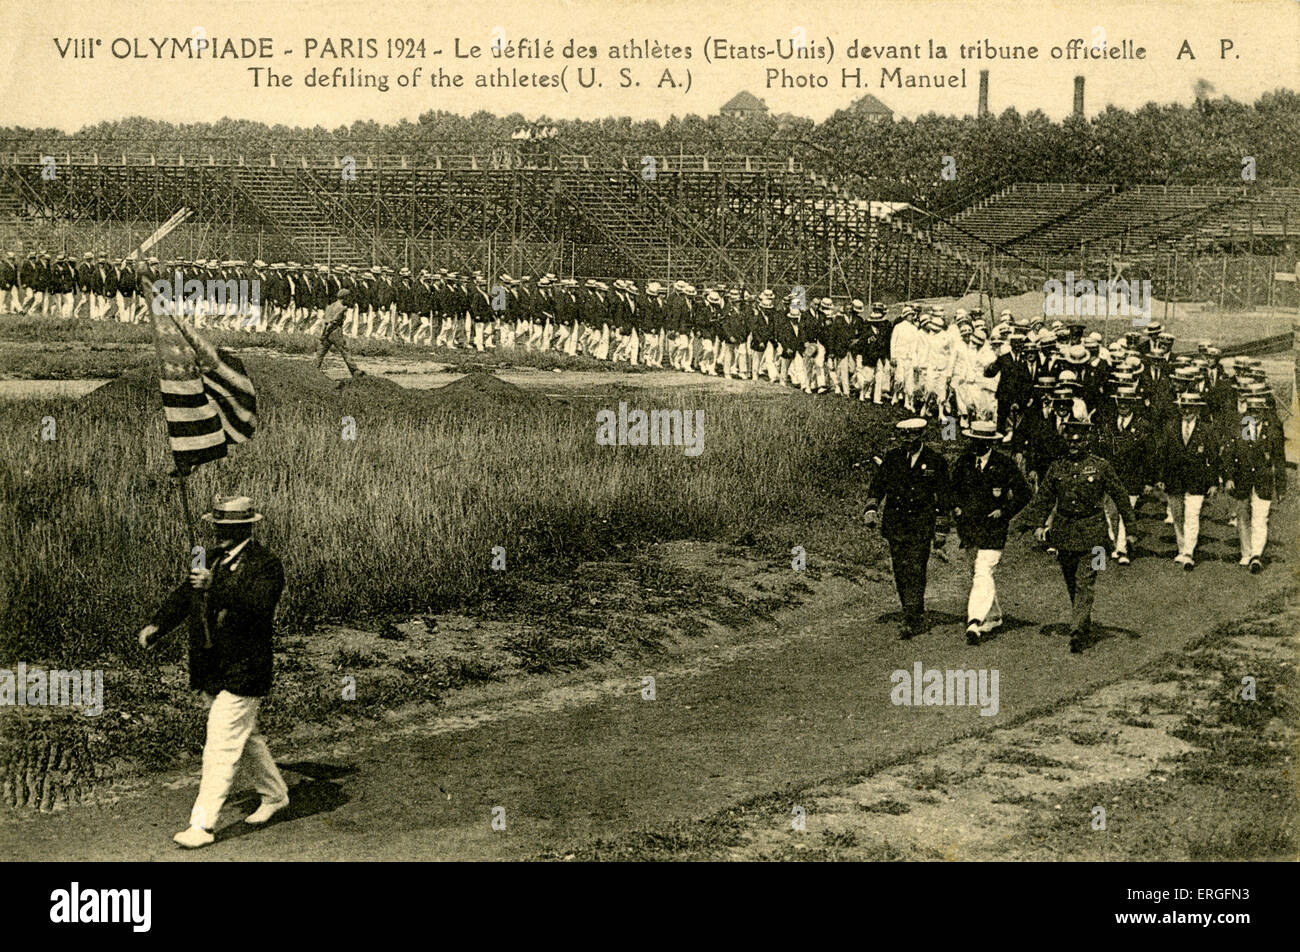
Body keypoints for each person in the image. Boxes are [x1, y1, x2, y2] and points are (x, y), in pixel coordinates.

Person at [136, 496, 289, 848]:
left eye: (229, 529)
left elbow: (257, 606)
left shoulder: (266, 564)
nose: (220, 533)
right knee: (243, 737)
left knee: (220, 742)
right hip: (211, 667)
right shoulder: (205, 556)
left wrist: (214, 587)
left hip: (246, 668)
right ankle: (276, 794)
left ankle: (202, 826)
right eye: (218, 527)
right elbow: (185, 593)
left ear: (246, 528)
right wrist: (158, 625)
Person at [1027, 420, 1138, 653]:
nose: (1074, 446)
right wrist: (1038, 524)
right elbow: (1045, 498)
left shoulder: (1101, 466)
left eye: (1078, 441)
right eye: (1070, 441)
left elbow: (1120, 496)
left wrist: (1131, 529)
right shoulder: (1057, 467)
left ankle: (1077, 632)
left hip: (1096, 536)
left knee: (1086, 581)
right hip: (1065, 534)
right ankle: (1083, 621)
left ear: (1087, 441)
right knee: (1071, 581)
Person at [863, 418, 951, 640]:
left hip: (921, 524)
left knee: (916, 567)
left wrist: (941, 528)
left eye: (913, 436)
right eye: (904, 436)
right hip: (896, 524)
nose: (908, 440)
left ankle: (912, 616)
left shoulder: (935, 460)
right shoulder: (892, 459)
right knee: (900, 569)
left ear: (921, 436)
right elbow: (878, 485)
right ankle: (909, 609)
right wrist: (871, 508)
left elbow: (944, 496)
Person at [949, 420, 1031, 644]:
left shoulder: (1003, 464)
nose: (977, 446)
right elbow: (951, 489)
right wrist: (955, 507)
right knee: (978, 573)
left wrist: (1003, 511)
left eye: (982, 442)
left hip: (993, 529)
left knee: (983, 571)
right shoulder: (964, 462)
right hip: (968, 528)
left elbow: (1024, 493)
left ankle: (974, 621)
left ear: (991, 443)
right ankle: (993, 616)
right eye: (974, 441)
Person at [1221, 391, 1286, 572]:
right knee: (1243, 516)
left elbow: (1279, 460)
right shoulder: (1241, 427)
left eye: (1259, 410)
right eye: (1252, 410)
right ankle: (1246, 552)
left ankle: (1256, 554)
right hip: (1242, 480)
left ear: (1265, 411)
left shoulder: (1273, 430)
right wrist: (1229, 477)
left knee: (1260, 517)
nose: (1256, 414)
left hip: (1263, 481)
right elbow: (1229, 454)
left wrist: (1281, 487)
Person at [314, 288, 361, 378]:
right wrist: (326, 332)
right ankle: (355, 371)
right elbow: (333, 322)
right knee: (345, 351)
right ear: (344, 298)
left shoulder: (330, 306)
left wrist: (323, 334)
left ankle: (314, 370)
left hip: (326, 331)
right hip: (335, 331)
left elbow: (325, 321)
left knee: (320, 353)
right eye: (348, 298)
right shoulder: (342, 308)